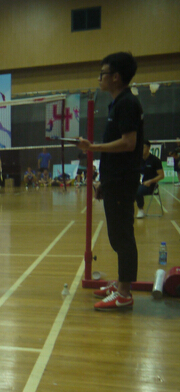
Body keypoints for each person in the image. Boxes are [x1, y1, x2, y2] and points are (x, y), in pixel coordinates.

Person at [77, 51, 143, 311]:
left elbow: (129, 143)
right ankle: (121, 284)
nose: (99, 78)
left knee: (122, 236)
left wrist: (93, 147)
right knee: (117, 236)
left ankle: (124, 294)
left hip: (123, 181)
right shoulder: (118, 103)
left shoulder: (127, 103)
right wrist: (104, 181)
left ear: (116, 77)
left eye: (103, 73)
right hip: (115, 180)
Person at [135, 140, 164, 218]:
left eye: (143, 147)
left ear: (148, 148)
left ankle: (140, 209)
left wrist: (150, 181)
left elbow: (161, 175)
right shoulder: (137, 160)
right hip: (138, 182)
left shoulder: (155, 160)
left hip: (150, 185)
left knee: (137, 191)